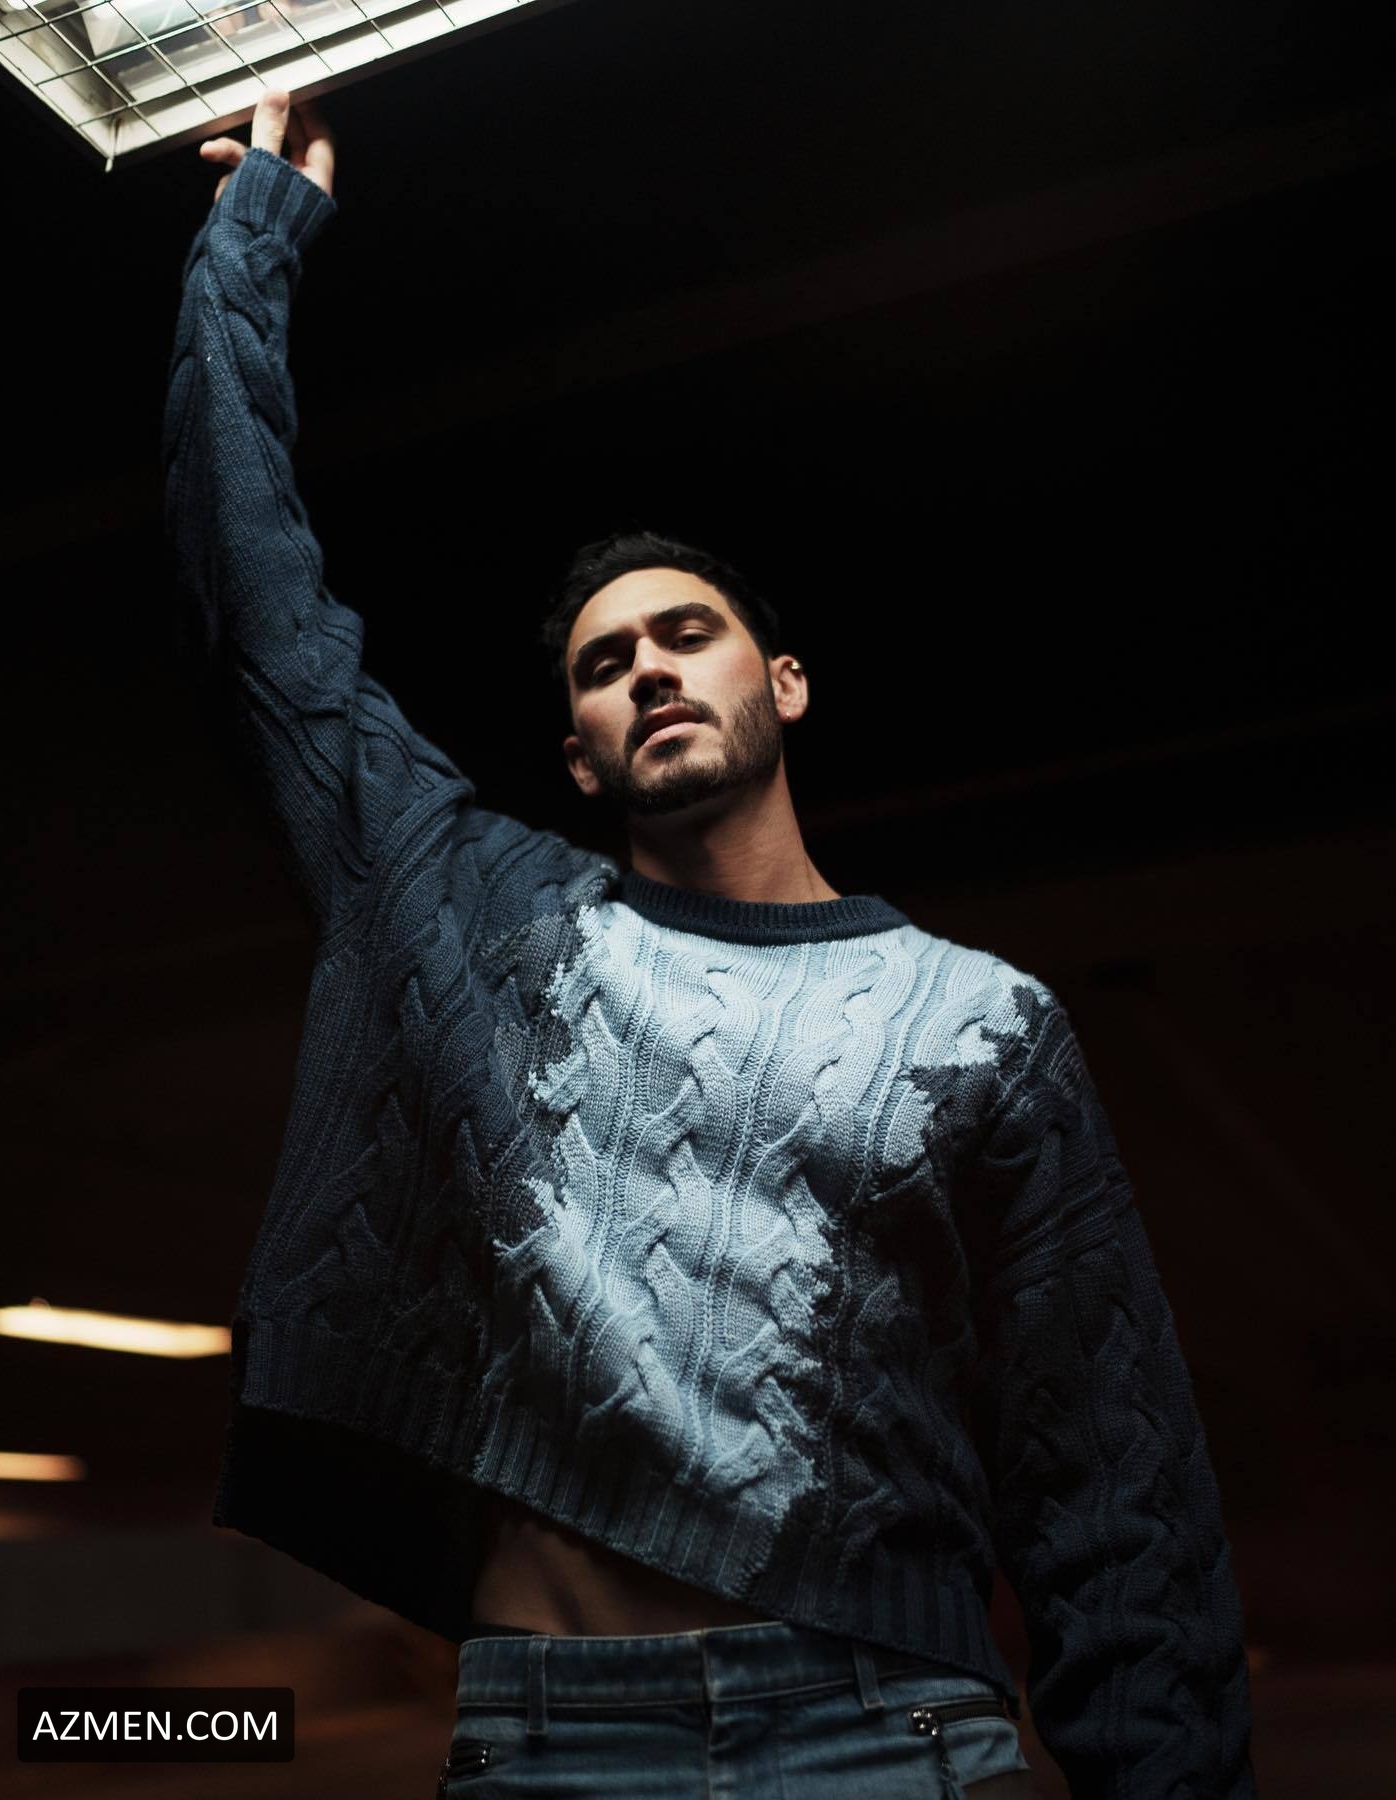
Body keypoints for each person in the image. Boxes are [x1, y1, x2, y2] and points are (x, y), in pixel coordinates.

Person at [167, 89, 1258, 1798]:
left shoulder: (980, 1020)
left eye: (689, 633)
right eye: (606, 667)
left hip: (888, 1725)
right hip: (553, 1733)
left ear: (784, 684)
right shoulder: (484, 917)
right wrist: (251, 253)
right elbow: (265, 615)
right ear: (582, 754)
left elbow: (1111, 1484)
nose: (650, 669)